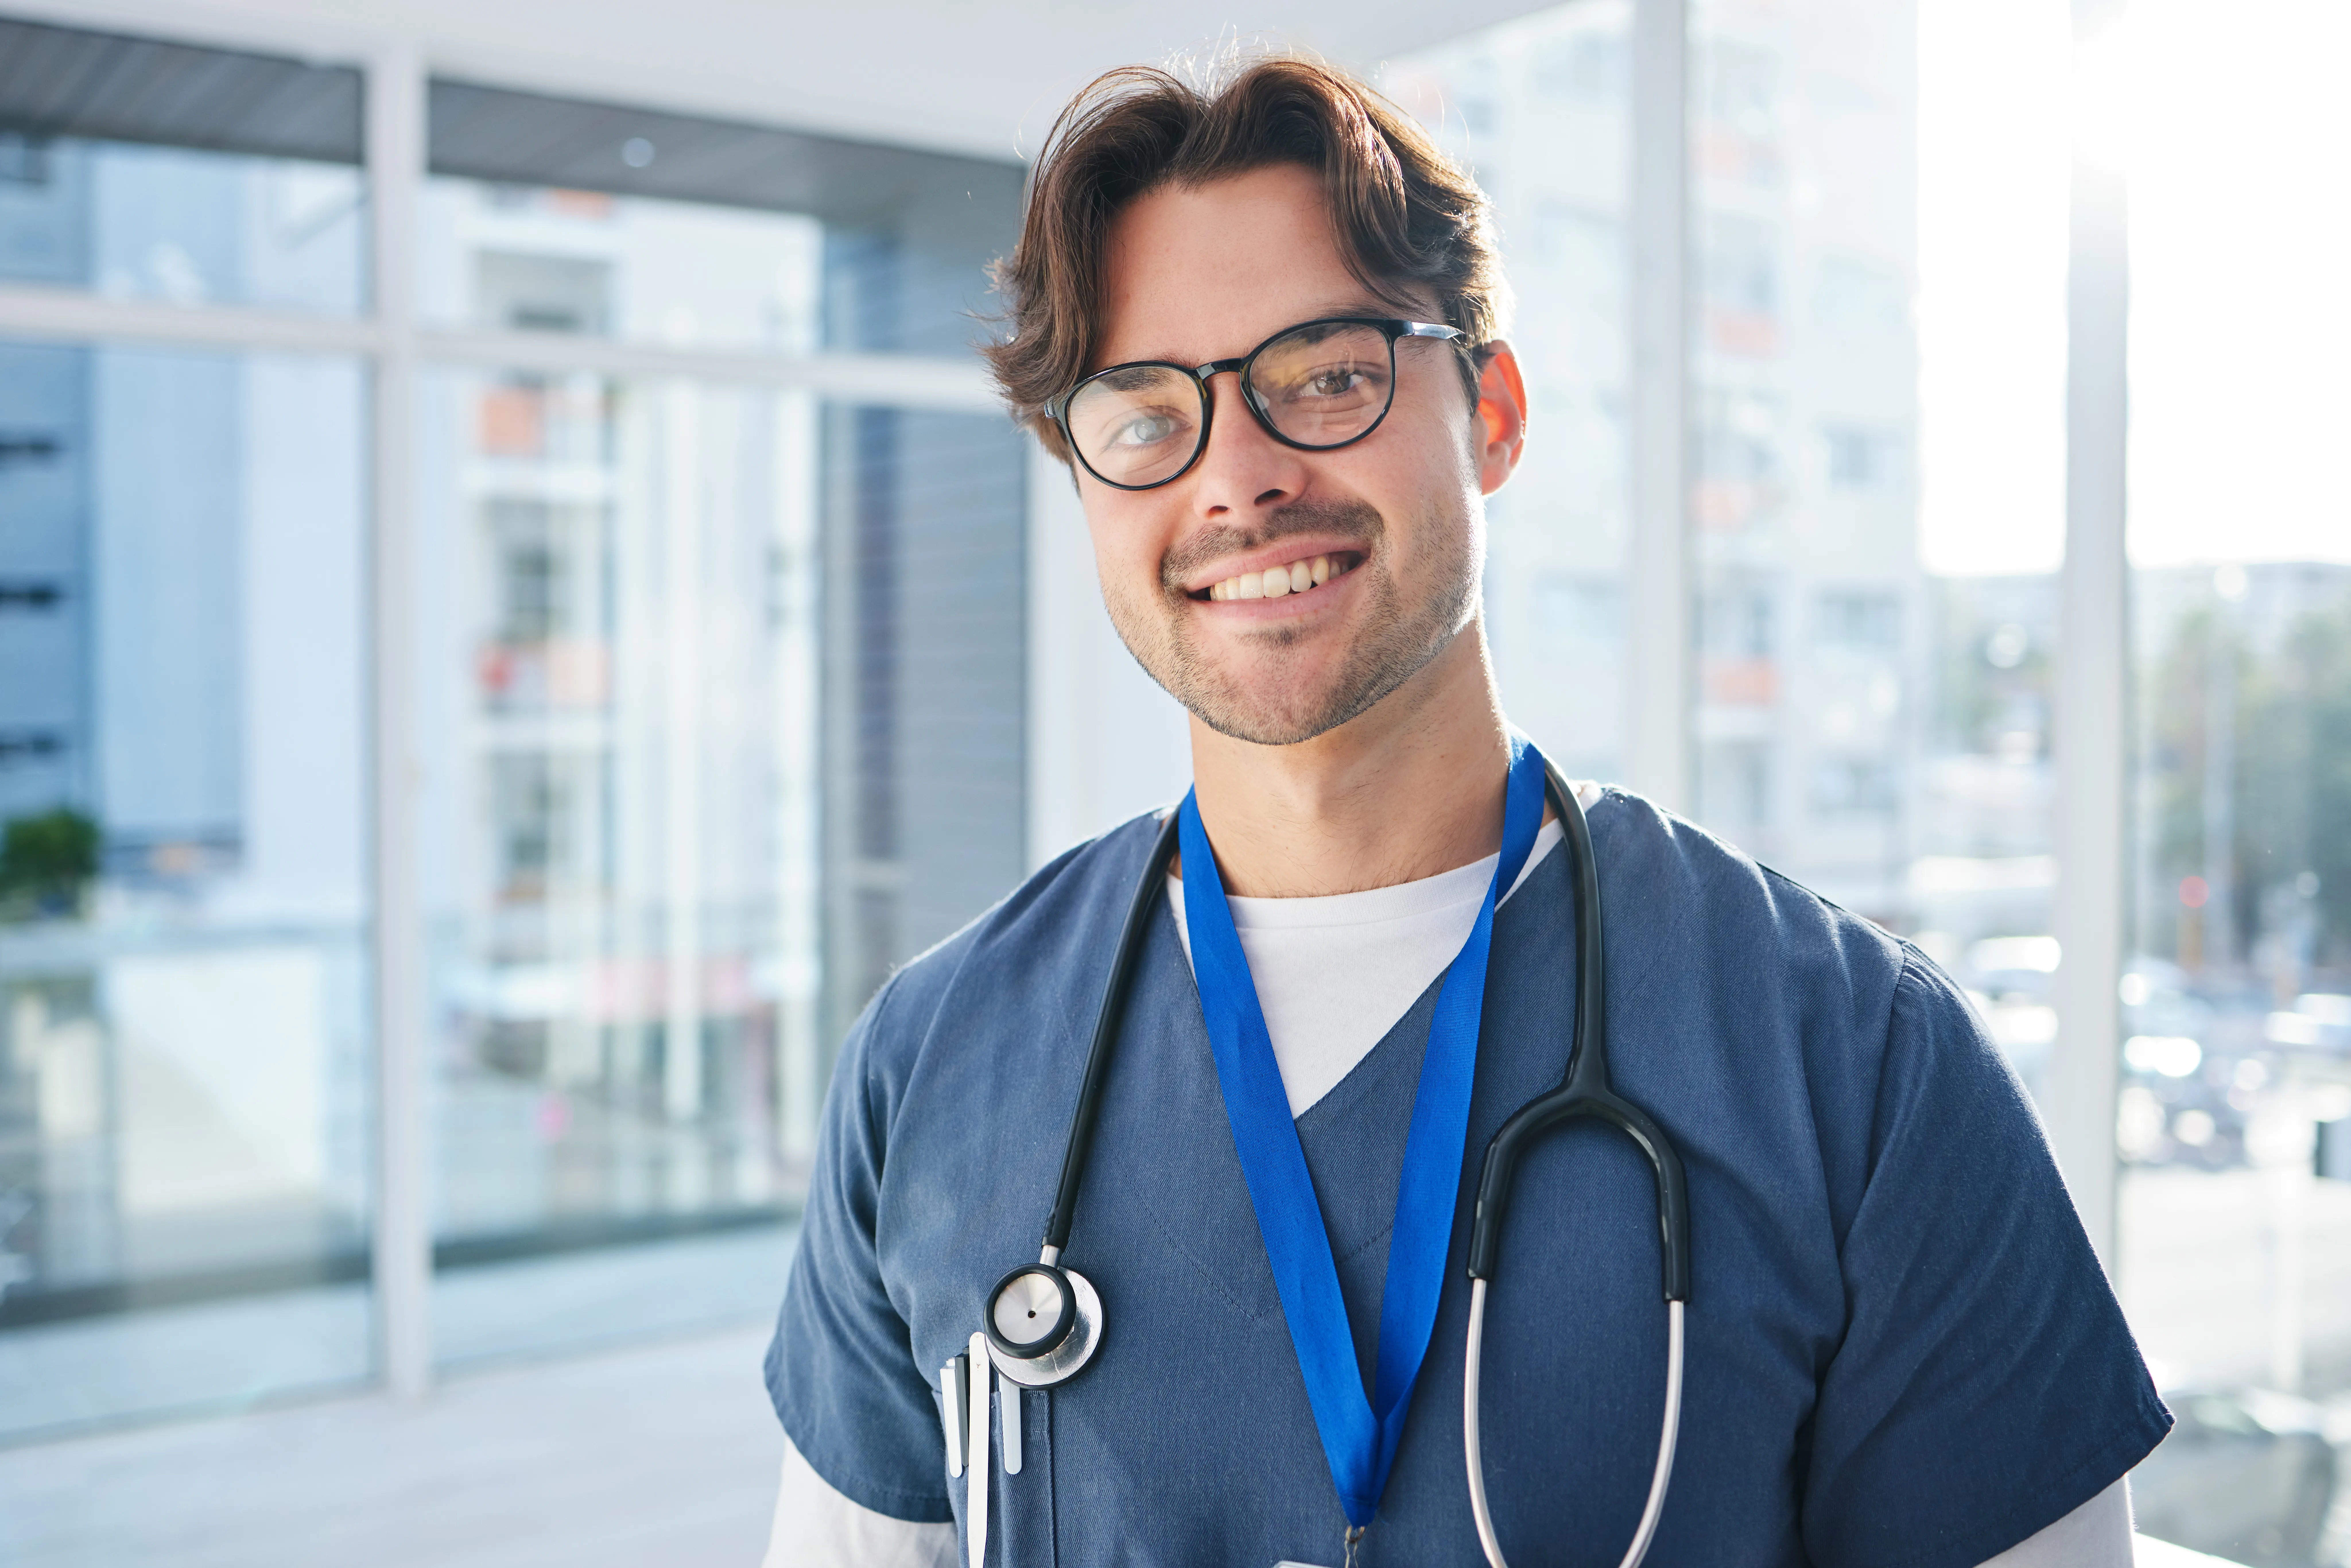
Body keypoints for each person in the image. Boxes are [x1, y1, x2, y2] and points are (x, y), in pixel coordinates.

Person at [761, 56, 2168, 1568]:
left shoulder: (1849, 1056)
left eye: (1325, 375)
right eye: (1148, 412)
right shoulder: (933, 1060)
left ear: (1492, 413)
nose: (1239, 477)